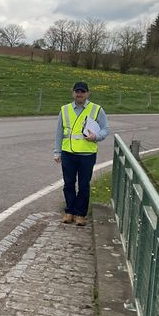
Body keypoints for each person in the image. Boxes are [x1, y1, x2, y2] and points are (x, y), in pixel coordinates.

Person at [54, 81, 110, 226]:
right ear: (73, 93)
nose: (79, 94)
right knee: (68, 184)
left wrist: (96, 137)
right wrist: (57, 152)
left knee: (84, 185)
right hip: (68, 153)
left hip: (87, 154)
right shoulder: (65, 110)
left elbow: (105, 129)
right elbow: (59, 132)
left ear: (87, 93)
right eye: (77, 91)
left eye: (82, 92)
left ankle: (80, 214)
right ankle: (69, 211)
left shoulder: (97, 109)